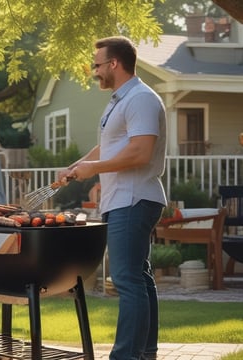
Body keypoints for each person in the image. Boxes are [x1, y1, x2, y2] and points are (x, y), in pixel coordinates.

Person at [59, 36, 167, 360]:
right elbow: (113, 145)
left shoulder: (141, 99)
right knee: (140, 277)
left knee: (127, 279)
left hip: (134, 200)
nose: (95, 72)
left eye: (97, 65)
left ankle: (125, 356)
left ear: (114, 64)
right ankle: (145, 352)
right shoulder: (119, 101)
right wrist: (78, 166)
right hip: (123, 200)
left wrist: (94, 169)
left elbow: (140, 152)